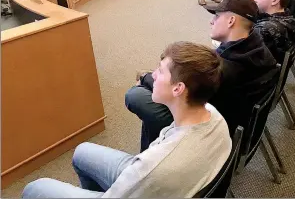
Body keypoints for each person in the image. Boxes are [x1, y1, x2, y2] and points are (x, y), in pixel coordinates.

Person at [22, 41, 232, 198]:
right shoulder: (214, 116)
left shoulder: (154, 168)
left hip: (151, 179)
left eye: (160, 71)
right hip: (168, 179)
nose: (154, 75)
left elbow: (150, 172)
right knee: (81, 152)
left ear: (178, 88)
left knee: (35, 188)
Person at [125, 0, 277, 151]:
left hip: (214, 138)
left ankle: (149, 161)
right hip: (242, 126)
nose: (211, 21)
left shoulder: (222, 69)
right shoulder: (260, 49)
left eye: (217, 17)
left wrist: (145, 78)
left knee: (138, 96)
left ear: (231, 21)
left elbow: (179, 89)